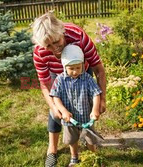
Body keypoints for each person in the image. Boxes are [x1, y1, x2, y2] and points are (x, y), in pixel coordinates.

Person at [31, 11, 106, 167]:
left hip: (81, 70)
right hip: (56, 75)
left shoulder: (78, 36)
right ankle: (52, 149)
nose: (54, 49)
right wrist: (54, 107)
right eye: (48, 45)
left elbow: (99, 70)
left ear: (62, 32)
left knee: (86, 106)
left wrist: (102, 100)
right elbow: (45, 84)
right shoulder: (40, 52)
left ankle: (89, 142)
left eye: (56, 42)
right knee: (55, 112)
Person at [50, 44, 102, 166]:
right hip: (70, 119)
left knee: (90, 138)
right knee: (72, 140)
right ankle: (74, 157)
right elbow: (55, 97)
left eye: (78, 68)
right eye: (71, 68)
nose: (75, 71)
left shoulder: (87, 78)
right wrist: (63, 111)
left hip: (86, 117)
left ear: (83, 65)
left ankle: (93, 156)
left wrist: (95, 109)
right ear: (64, 67)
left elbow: (96, 94)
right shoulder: (60, 80)